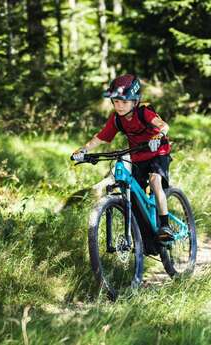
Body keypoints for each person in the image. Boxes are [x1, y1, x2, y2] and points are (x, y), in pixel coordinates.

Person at [72, 74, 173, 242]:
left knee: (155, 181)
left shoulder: (144, 112)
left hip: (158, 152)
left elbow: (164, 125)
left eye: (124, 102)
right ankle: (145, 238)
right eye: (116, 102)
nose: (119, 106)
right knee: (135, 194)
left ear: (135, 101)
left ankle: (165, 225)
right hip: (138, 156)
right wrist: (83, 150)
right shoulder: (116, 119)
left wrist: (158, 136)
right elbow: (100, 137)